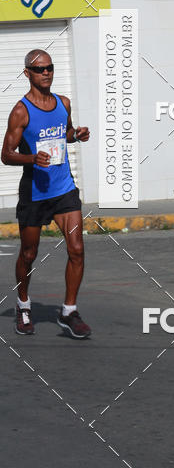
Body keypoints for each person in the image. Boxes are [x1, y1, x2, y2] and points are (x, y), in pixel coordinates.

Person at [1, 50, 91, 338]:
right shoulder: (21, 111)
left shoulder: (63, 103)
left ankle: (69, 312)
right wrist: (31, 159)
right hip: (35, 192)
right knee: (29, 254)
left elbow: (65, 133)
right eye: (39, 69)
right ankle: (23, 305)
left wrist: (76, 135)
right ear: (27, 73)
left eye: (49, 67)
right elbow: (6, 154)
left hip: (64, 189)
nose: (46, 73)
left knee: (77, 249)